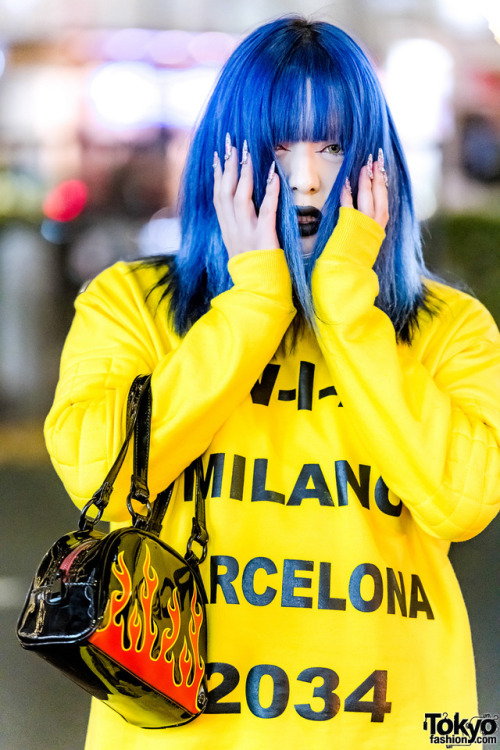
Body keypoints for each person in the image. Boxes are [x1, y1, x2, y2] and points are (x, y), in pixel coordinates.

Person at [44, 16, 500, 750]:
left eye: (333, 145)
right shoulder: (130, 303)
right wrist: (256, 301)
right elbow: (101, 472)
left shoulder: (450, 327)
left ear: (377, 161)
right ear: (225, 159)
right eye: (278, 147)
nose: (307, 177)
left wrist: (349, 308)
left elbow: (464, 503)